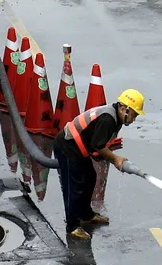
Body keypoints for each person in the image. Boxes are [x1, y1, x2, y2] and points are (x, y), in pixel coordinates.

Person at [53, 88, 145, 241]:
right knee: (74, 186)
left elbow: (96, 143)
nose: (134, 119)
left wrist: (110, 157)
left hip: (78, 147)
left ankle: (86, 215)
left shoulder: (115, 117)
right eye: (134, 115)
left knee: (90, 177)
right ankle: (73, 227)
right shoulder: (108, 119)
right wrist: (115, 159)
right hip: (67, 146)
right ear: (124, 109)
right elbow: (98, 145)